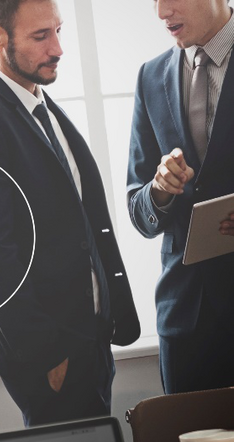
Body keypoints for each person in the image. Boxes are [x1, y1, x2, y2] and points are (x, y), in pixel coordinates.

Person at [0, 0, 139, 427]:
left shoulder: (42, 107)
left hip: (89, 339)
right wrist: (48, 355)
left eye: (58, 31)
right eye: (40, 36)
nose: (58, 48)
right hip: (51, 352)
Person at [128, 0, 234, 394]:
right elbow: (138, 208)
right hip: (185, 320)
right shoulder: (150, 77)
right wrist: (159, 190)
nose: (161, 12)